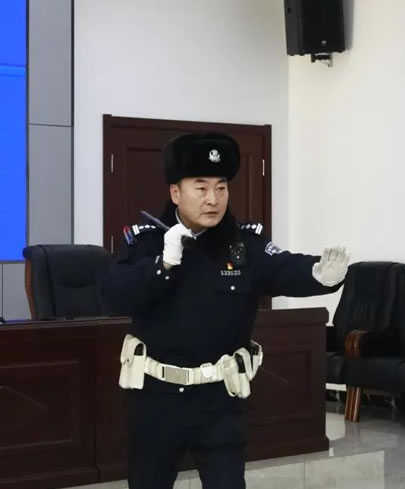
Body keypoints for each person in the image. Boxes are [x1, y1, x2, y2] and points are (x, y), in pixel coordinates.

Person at [99, 132, 349, 489]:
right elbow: (114, 296)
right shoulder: (147, 242)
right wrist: (163, 265)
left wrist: (320, 275)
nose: (213, 199)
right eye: (201, 188)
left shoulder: (243, 244)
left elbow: (283, 268)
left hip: (219, 398)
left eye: (221, 187)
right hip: (156, 397)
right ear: (176, 193)